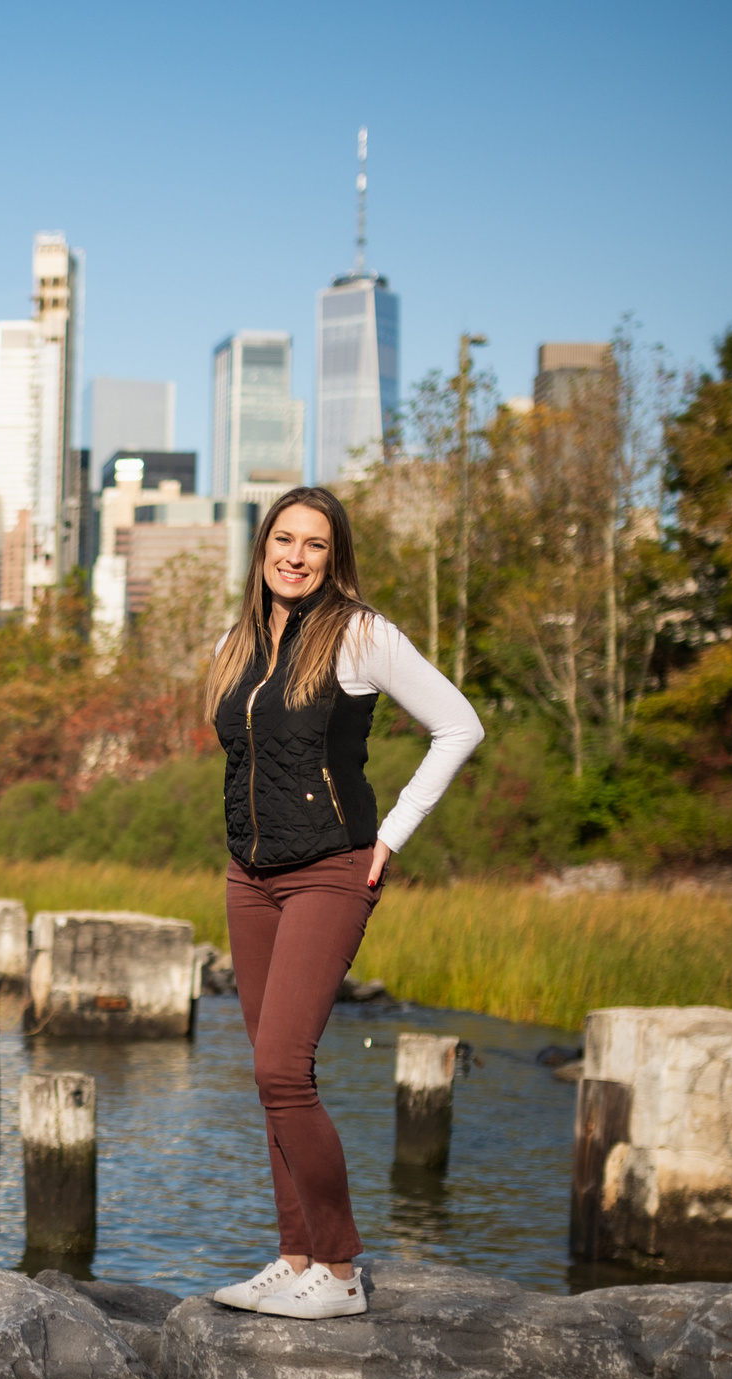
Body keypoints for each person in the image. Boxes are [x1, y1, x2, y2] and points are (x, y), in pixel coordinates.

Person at [205, 488, 483, 1320]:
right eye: (283, 539)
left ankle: (339, 1270)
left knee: (282, 1069)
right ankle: (294, 1256)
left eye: (315, 544)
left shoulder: (359, 633)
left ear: (335, 558)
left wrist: (390, 836)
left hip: (332, 869)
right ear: (262, 547)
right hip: (249, 877)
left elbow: (460, 726)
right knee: (271, 1076)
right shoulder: (236, 645)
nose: (295, 556)